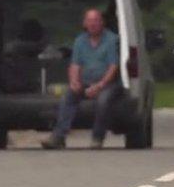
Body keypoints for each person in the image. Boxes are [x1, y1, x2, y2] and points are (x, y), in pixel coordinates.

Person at [41, 9, 121, 149]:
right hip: (85, 82)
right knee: (67, 98)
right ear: (84, 23)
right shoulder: (80, 41)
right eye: (89, 21)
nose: (93, 24)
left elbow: (113, 67)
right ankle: (58, 137)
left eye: (96, 20)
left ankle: (97, 138)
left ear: (102, 23)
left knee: (103, 101)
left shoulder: (111, 40)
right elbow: (75, 65)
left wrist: (99, 85)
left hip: (107, 83)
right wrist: (74, 81)